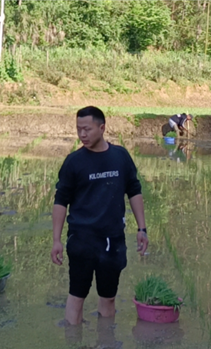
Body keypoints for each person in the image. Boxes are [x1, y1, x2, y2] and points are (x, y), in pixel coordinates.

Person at [51, 106, 148, 326]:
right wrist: (56, 240)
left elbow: (134, 190)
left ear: (102, 128)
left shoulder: (120, 157)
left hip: (112, 240)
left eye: (87, 129)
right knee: (77, 297)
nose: (82, 135)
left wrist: (142, 229)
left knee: (109, 297)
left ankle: (106, 348)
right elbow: (60, 201)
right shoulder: (74, 162)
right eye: (78, 129)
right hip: (82, 239)